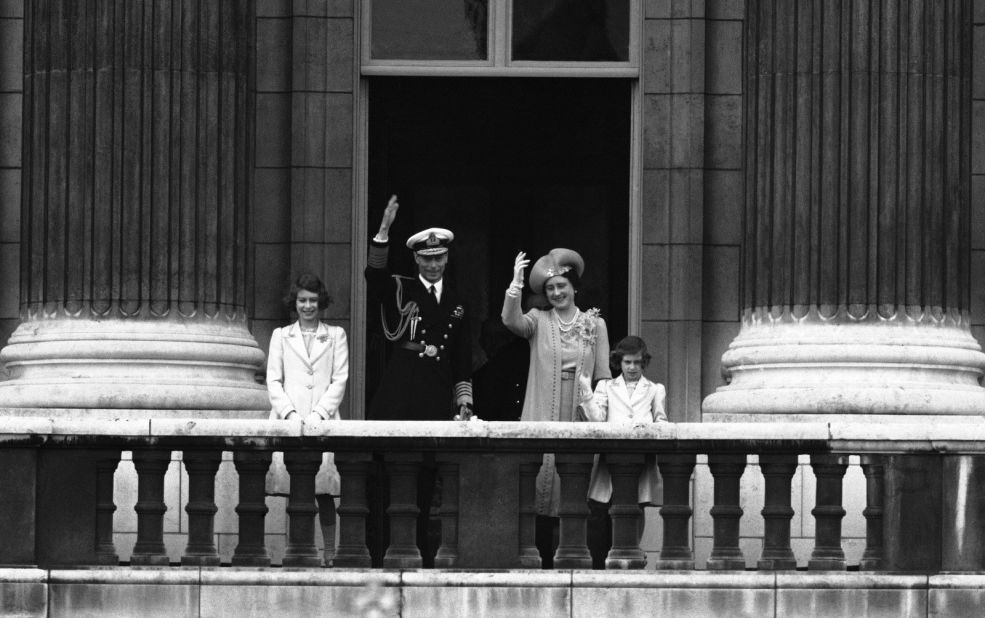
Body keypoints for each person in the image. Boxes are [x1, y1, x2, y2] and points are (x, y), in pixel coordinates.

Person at [364, 194, 474, 566]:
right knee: (389, 478)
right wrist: (383, 231)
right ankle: (381, 552)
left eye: (439, 257)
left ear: (447, 257)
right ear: (416, 259)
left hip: (436, 398)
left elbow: (462, 358)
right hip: (399, 394)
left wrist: (464, 400)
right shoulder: (400, 288)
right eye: (426, 259)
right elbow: (373, 278)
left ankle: (422, 556)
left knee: (428, 480)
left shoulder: (458, 301)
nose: (433, 264)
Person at [502, 248, 611, 567]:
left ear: (574, 287)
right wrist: (515, 284)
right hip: (542, 410)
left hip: (579, 414)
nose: (556, 292)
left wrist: (598, 409)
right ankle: (539, 560)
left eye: (561, 286)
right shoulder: (538, 320)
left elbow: (604, 374)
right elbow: (511, 321)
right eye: (550, 289)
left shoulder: (595, 324)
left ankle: (574, 560)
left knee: (574, 486)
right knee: (540, 485)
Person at [265, 273, 349, 566]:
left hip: (324, 420)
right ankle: (295, 551)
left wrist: (318, 414)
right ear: (295, 302)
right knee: (295, 490)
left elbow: (339, 380)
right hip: (289, 420)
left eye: (313, 300)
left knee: (324, 491)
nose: (308, 306)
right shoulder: (281, 336)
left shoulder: (336, 335)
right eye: (302, 300)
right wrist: (289, 413)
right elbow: (273, 380)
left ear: (320, 302)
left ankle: (329, 553)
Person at [578, 335, 667, 567]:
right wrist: (586, 392)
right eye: (627, 362)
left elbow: (661, 421)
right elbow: (596, 419)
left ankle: (633, 552)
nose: (632, 367)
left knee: (637, 507)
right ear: (620, 362)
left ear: (643, 362)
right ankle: (610, 556)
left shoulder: (655, 389)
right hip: (612, 458)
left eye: (637, 362)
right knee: (607, 508)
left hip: (641, 458)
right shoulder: (606, 386)